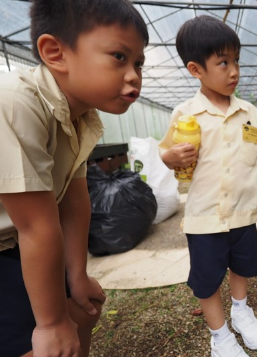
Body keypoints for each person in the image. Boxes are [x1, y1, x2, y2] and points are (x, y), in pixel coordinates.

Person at [0, 1, 148, 356]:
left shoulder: (80, 116)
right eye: (119, 56)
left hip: (26, 238)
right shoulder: (17, 101)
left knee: (83, 312)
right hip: (10, 241)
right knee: (39, 341)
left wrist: (77, 275)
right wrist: (50, 323)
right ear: (56, 53)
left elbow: (74, 197)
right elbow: (37, 224)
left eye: (139, 63)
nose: (134, 75)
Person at [159, 15, 257, 357]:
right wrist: (171, 158)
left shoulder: (251, 113)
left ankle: (240, 310)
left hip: (242, 214)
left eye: (236, 60)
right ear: (196, 69)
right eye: (223, 62)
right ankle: (220, 335)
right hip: (204, 217)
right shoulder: (185, 114)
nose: (234, 70)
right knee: (207, 279)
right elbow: (165, 154)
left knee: (242, 266)